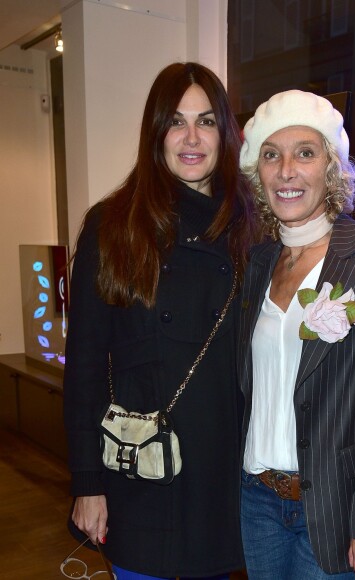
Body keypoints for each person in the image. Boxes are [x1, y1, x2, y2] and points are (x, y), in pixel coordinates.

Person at [63, 62, 258, 580]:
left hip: (223, 472)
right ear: (156, 133)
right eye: (176, 121)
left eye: (207, 121)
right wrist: (87, 481)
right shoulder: (114, 224)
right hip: (141, 469)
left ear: (226, 132)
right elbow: (83, 364)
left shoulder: (250, 226)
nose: (192, 138)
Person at [237, 90, 355, 579]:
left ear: (332, 167)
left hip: (334, 511)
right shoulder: (256, 263)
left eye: (305, 152)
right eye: (271, 156)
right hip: (256, 501)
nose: (286, 171)